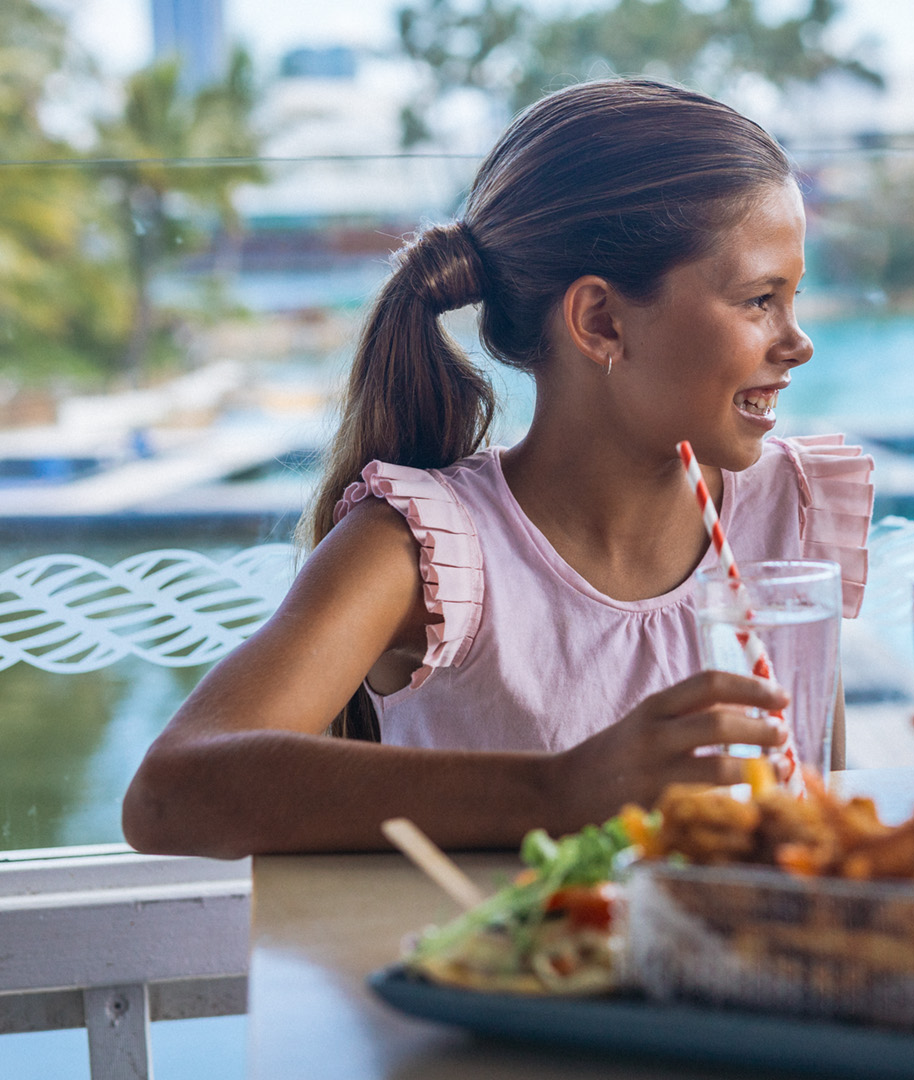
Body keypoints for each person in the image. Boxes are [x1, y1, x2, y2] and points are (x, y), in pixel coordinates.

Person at [122, 79, 873, 857]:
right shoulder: (425, 551)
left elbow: (818, 815)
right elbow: (169, 793)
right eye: (759, 300)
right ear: (601, 321)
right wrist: (560, 791)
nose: (797, 342)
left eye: (794, 297)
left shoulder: (793, 509)